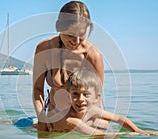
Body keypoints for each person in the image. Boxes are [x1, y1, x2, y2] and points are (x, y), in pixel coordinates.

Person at [33, 1, 106, 132]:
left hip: (86, 121)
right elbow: (37, 90)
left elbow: (97, 97)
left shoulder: (93, 56)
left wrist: (84, 126)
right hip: (54, 121)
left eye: (82, 34)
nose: (76, 41)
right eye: (70, 34)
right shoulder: (44, 49)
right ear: (58, 27)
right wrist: (41, 118)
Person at [48, 68, 158, 136]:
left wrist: (138, 130)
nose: (81, 99)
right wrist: (130, 134)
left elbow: (119, 118)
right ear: (68, 97)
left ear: (96, 98)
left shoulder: (92, 111)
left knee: (104, 126)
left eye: (86, 94)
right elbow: (96, 135)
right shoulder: (70, 120)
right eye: (75, 94)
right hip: (52, 130)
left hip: (85, 128)